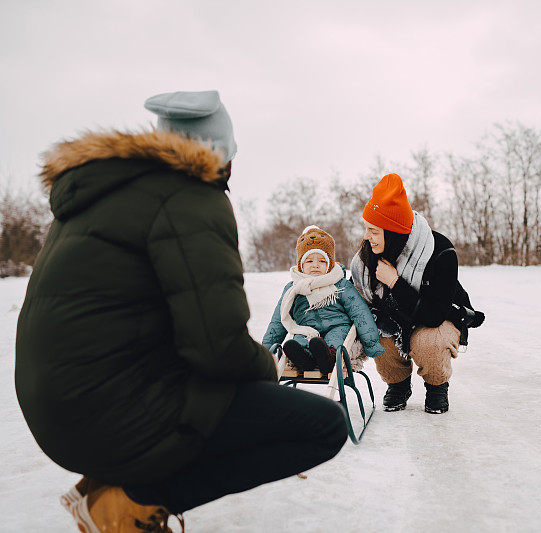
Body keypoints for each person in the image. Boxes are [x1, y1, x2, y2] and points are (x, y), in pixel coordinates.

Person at [15, 90, 348, 532]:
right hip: (108, 414)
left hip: (54, 411)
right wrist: (266, 369)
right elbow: (216, 346)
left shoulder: (102, 194)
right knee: (322, 426)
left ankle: (113, 486)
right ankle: (130, 503)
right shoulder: (191, 198)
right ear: (221, 154)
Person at [350, 173, 484, 414]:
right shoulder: (369, 255)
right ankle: (398, 384)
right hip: (396, 319)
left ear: (391, 232)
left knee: (428, 341)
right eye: (366, 229)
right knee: (378, 334)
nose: (366, 237)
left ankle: (436, 386)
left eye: (373, 231)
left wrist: (395, 283)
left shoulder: (440, 251)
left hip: (438, 318)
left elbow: (433, 314)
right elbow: (356, 300)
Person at [261, 225, 384, 372]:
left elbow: (360, 312)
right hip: (305, 329)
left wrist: (372, 344)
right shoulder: (293, 289)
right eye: (309, 261)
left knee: (335, 340)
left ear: (330, 264)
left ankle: (329, 358)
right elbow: (278, 320)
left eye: (322, 261)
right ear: (300, 265)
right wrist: (266, 351)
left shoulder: (340, 285)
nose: (316, 266)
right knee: (300, 340)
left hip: (337, 326)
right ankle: (304, 359)